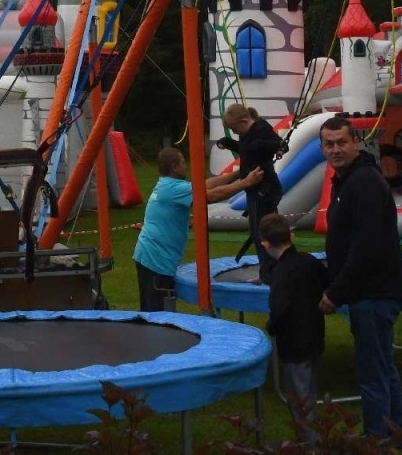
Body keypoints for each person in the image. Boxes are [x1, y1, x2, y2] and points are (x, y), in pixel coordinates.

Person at [318, 115, 402, 441]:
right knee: (384, 369)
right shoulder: (345, 181)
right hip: (369, 291)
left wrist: (335, 292)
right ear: (321, 147)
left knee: (372, 375)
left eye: (342, 142)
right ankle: (393, 436)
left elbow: (367, 246)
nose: (336, 149)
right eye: (329, 144)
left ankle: (376, 440)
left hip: (375, 292)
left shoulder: (365, 182)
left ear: (355, 142)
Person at [134, 146, 262, 311]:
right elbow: (212, 195)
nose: (185, 165)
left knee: (153, 310)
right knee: (158, 312)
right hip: (156, 261)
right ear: (174, 167)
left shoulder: (169, 185)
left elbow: (206, 185)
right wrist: (246, 183)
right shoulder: (174, 189)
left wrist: (238, 174)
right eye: (182, 162)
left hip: (149, 256)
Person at [260, 212, 328, 435]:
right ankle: (313, 439)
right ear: (292, 237)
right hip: (314, 336)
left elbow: (280, 308)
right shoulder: (308, 261)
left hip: (294, 343)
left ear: (265, 244)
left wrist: (272, 326)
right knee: (309, 390)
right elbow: (327, 281)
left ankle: (311, 444)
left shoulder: (281, 272)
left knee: (300, 399)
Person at [219, 105, 286, 281]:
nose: (235, 132)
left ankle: (268, 273)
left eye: (234, 129)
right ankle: (269, 271)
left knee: (261, 233)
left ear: (243, 121)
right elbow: (246, 150)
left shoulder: (261, 128)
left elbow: (280, 145)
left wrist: (260, 145)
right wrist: (229, 144)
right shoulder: (246, 134)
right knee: (259, 232)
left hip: (265, 188)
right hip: (256, 189)